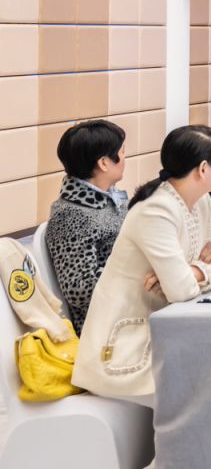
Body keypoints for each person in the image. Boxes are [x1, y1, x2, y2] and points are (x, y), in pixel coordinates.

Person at [72, 125, 211, 469]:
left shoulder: (200, 203)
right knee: (201, 389)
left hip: (165, 332)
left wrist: (196, 271)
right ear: (202, 168)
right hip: (121, 346)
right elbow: (181, 290)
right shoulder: (155, 211)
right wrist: (197, 272)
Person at [43, 120, 128, 333]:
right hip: (106, 329)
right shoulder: (70, 216)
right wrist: (137, 272)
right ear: (104, 163)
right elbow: (79, 290)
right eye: (122, 152)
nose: (125, 159)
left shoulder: (111, 199)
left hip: (130, 309)